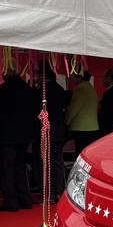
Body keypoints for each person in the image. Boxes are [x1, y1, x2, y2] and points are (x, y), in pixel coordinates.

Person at [0, 59, 36, 212]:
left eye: (1, 70)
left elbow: (0, 113)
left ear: (8, 70)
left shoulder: (6, 88)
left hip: (8, 136)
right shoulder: (25, 87)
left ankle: (10, 201)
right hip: (23, 135)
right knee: (19, 167)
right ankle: (25, 199)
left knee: (6, 169)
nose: (0, 73)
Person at [33, 64, 68, 203]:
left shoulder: (41, 92)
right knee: (57, 161)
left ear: (43, 76)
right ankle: (60, 191)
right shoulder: (60, 89)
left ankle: (48, 194)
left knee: (43, 163)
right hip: (58, 130)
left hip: (44, 131)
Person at [65, 71, 100, 156]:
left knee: (80, 153)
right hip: (92, 126)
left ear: (80, 77)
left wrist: (66, 121)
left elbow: (73, 108)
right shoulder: (91, 88)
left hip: (81, 127)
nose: (72, 78)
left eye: (73, 75)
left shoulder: (80, 89)